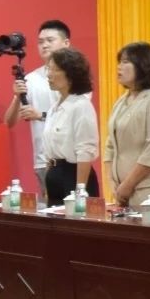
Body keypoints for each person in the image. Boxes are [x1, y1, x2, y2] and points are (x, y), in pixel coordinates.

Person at [3, 20, 72, 195]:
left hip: (71, 159)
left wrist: (40, 115)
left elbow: (73, 115)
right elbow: (9, 122)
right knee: (48, 209)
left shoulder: (76, 76)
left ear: (66, 43)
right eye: (40, 42)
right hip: (43, 161)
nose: (44, 45)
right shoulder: (31, 79)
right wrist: (17, 97)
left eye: (50, 40)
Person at [104, 42, 150, 207]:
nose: (119, 67)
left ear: (143, 65)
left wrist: (128, 185)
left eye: (125, 62)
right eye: (119, 62)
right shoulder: (122, 100)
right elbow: (110, 146)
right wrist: (111, 182)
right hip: (122, 190)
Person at [40, 47, 99, 206]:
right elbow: (49, 151)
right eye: (49, 69)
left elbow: (85, 150)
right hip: (54, 173)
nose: (49, 74)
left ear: (71, 74)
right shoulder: (54, 108)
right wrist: (48, 183)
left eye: (55, 70)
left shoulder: (81, 105)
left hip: (73, 175)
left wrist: (80, 190)